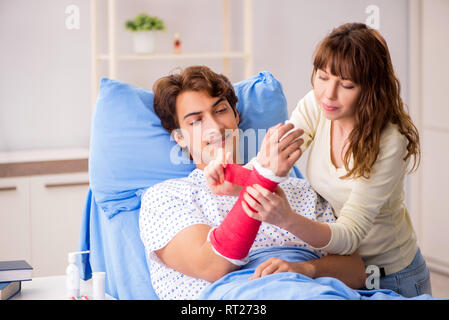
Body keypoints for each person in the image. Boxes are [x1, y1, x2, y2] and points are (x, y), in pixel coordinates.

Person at [207, 23, 430, 298]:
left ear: (371, 89)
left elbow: (349, 235)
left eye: (346, 84)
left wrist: (286, 219)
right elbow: (272, 162)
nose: (328, 94)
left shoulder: (389, 141)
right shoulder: (318, 105)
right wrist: (233, 176)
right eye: (323, 77)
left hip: (390, 274)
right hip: (340, 268)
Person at [139, 65, 366, 300]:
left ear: (236, 116)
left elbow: (357, 271)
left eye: (220, 110)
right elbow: (212, 266)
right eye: (196, 121)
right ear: (180, 138)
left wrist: (307, 269)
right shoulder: (167, 196)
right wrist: (264, 179)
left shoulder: (297, 188)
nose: (216, 127)